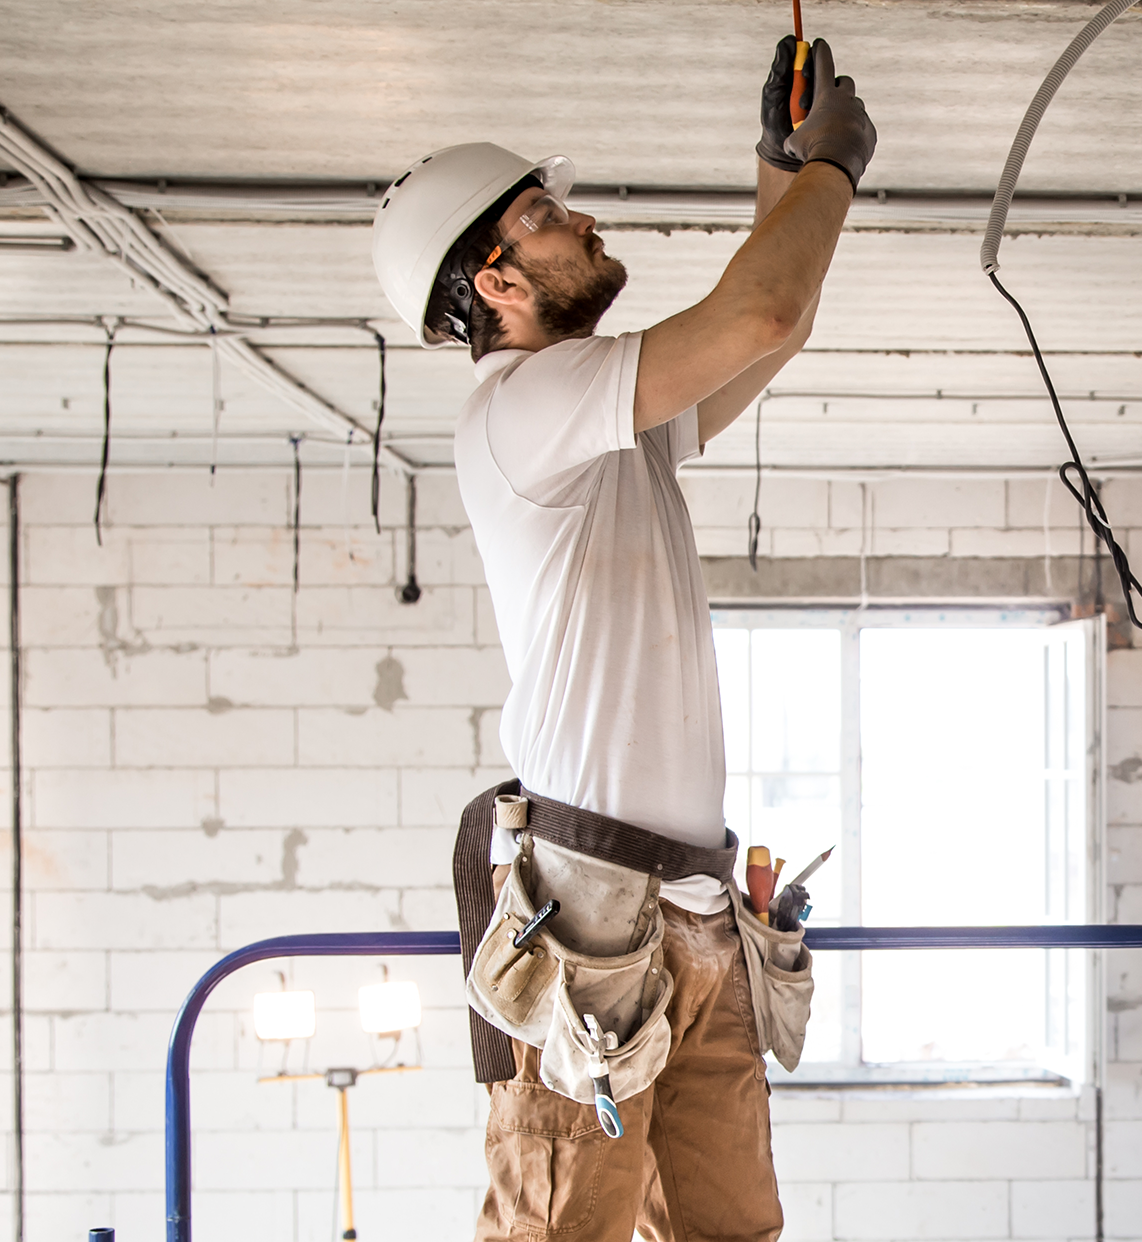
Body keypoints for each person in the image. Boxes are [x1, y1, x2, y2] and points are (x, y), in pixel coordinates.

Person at [368, 35, 876, 1242]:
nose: (580, 220)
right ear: (495, 282)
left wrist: (779, 166)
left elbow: (769, 330)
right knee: (562, 1227)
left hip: (690, 909)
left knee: (728, 1229)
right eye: (544, 215)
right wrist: (835, 169)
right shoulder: (523, 410)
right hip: (589, 917)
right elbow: (763, 303)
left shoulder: (612, 432)